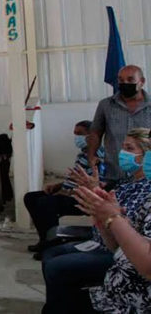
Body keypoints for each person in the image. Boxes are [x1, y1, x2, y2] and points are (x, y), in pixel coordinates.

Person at [41, 128, 151, 314]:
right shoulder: (127, 182)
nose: (123, 153)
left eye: (129, 148)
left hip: (132, 296)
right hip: (114, 268)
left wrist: (112, 217)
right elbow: (115, 238)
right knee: (50, 255)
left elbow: (142, 258)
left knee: (56, 269)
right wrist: (99, 206)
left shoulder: (146, 189)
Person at [23, 120, 103, 256]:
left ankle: (52, 246)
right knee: (30, 197)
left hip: (83, 197)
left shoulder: (98, 156)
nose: (76, 138)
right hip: (70, 192)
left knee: (46, 203)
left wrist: (68, 192)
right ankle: (45, 239)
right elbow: (75, 178)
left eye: (80, 134)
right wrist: (58, 186)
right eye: (75, 134)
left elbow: (97, 183)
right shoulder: (82, 154)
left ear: (91, 136)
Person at [88, 65, 151, 181]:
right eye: (121, 80)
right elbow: (96, 132)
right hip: (114, 173)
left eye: (130, 80)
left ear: (142, 82)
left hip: (146, 176)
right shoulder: (106, 105)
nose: (125, 83)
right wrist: (92, 156)